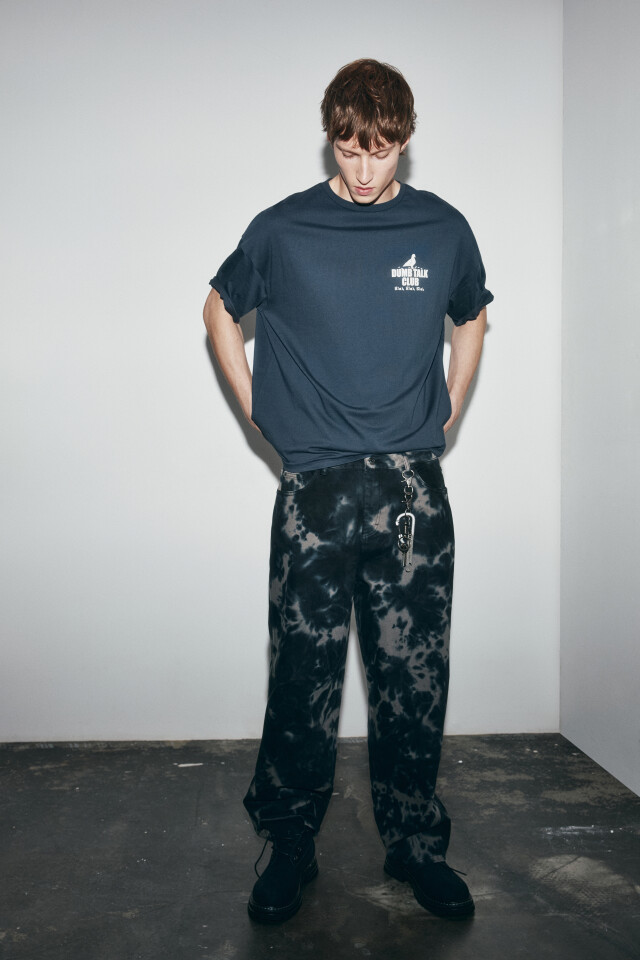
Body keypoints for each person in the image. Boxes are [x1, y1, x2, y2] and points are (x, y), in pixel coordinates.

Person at [203, 58, 493, 924]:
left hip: (409, 492)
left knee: (413, 675)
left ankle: (416, 846)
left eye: (383, 151)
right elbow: (218, 308)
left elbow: (473, 314)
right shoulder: (284, 228)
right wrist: (262, 416)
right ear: (332, 136)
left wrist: (448, 410)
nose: (365, 170)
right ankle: (290, 845)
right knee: (303, 676)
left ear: (405, 140)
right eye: (350, 149)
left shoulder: (442, 228)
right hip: (317, 492)